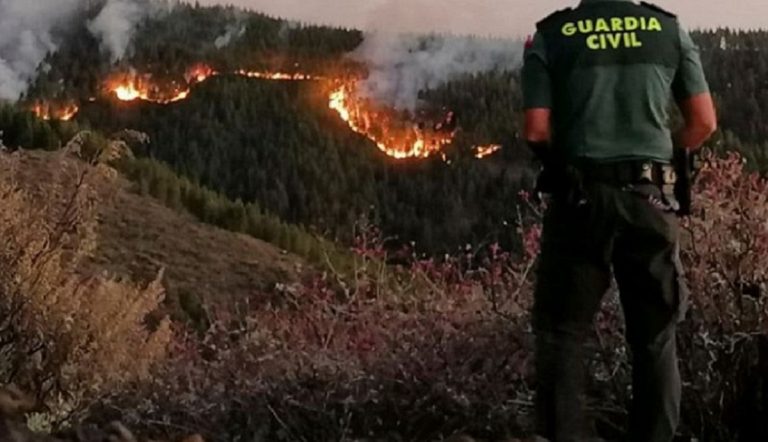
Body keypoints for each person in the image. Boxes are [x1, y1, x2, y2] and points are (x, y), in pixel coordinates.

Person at [521, 1, 717, 441]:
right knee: (655, 339)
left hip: (580, 202)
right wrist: (657, 157)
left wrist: (567, 160)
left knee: (564, 335)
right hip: (649, 202)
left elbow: (535, 129)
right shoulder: (667, 29)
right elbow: (703, 122)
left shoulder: (553, 34)